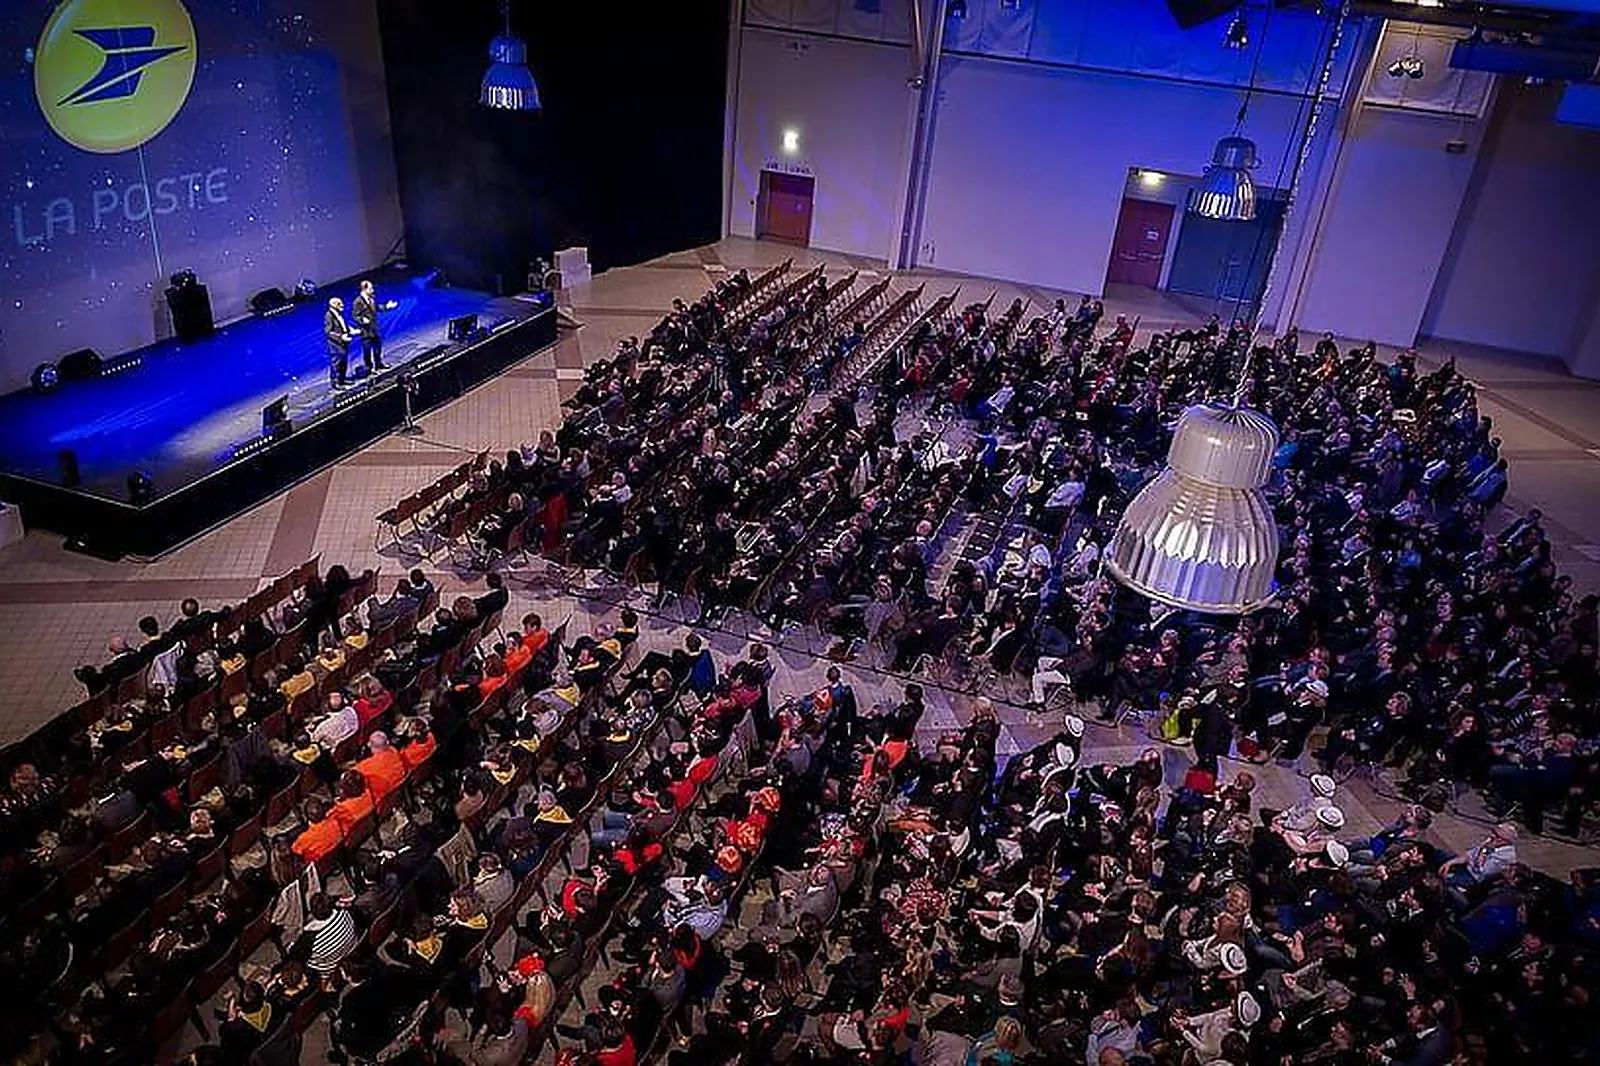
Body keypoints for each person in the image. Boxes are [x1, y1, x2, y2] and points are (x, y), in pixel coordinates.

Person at [352, 279, 389, 374]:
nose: (373, 290)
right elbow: (355, 316)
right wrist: (362, 320)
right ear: (364, 289)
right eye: (371, 288)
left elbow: (376, 307)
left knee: (378, 348)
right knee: (367, 351)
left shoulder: (371, 297)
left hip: (374, 328)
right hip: (365, 331)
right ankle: (369, 368)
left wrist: (386, 307)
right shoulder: (358, 301)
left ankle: (379, 364)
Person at [325, 296, 354, 389]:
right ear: (333, 305)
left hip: (343, 343)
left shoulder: (339, 314)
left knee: (343, 363)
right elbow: (328, 332)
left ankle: (342, 379)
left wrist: (350, 330)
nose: (342, 305)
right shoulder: (329, 316)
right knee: (336, 364)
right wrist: (341, 337)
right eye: (339, 304)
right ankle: (336, 383)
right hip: (335, 345)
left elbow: (342, 326)